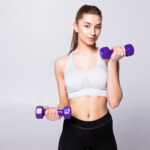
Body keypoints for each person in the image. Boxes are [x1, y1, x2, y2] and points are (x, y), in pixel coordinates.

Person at [44, 4, 126, 150]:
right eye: (87, 26)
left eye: (98, 27)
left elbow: (114, 102)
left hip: (103, 128)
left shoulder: (108, 58)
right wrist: (56, 113)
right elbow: (64, 103)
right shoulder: (61, 63)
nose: (93, 32)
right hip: (73, 129)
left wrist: (113, 62)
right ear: (76, 26)